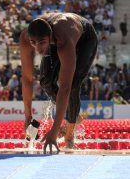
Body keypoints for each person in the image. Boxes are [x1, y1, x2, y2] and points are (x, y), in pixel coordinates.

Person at [19, 12, 98, 153]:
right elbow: (27, 79)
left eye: (42, 43)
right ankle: (73, 114)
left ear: (49, 38)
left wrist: (54, 132)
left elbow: (65, 87)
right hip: (55, 36)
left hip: (85, 38)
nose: (38, 49)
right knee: (45, 81)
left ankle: (69, 135)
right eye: (33, 43)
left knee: (73, 85)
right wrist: (28, 117)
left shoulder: (63, 40)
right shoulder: (26, 37)